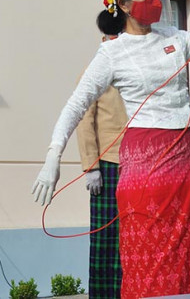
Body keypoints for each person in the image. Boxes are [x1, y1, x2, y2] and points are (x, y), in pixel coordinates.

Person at [32, 0, 190, 299]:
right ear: (124, 4)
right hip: (145, 162)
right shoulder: (112, 54)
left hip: (188, 157)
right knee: (151, 261)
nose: (155, 0)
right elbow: (75, 106)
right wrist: (52, 156)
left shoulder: (175, 38)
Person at [75, 67, 128, 299]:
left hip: (139, 161)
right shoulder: (95, 71)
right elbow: (84, 119)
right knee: (105, 240)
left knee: (133, 237)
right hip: (107, 164)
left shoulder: (134, 68)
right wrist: (91, 165)